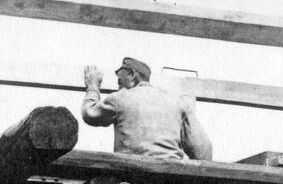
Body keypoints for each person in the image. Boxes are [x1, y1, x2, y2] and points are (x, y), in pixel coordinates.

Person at [81, 55, 212, 161]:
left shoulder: (120, 97)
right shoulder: (178, 102)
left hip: (131, 177)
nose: (118, 88)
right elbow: (203, 151)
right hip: (171, 178)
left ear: (132, 75)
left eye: (120, 82)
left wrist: (92, 86)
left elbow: (89, 114)